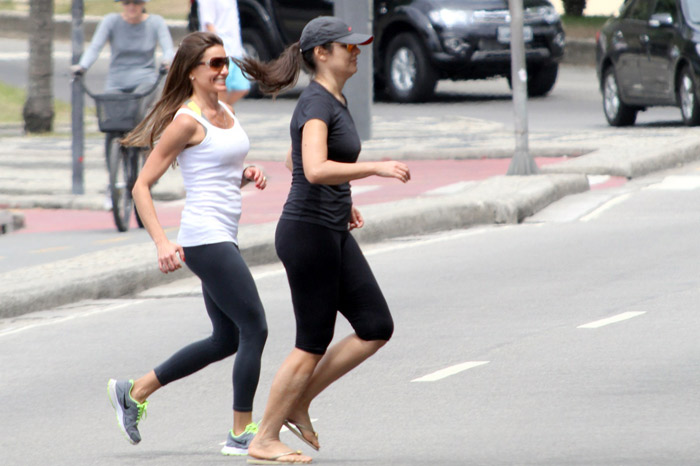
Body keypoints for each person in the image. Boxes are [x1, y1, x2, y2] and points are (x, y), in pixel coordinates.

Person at [234, 16, 411, 464]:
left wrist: (340, 196)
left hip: (328, 227)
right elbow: (313, 168)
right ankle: (263, 438)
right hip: (308, 232)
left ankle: (297, 401)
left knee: (374, 325)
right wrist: (374, 167)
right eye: (346, 47)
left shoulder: (332, 99)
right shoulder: (317, 103)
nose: (356, 52)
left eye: (357, 46)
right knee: (311, 340)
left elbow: (295, 158)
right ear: (321, 54)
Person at [108, 31, 269, 457]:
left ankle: (135, 390)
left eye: (225, 63)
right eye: (214, 64)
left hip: (223, 234)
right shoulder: (186, 119)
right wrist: (162, 242)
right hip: (203, 237)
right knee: (255, 327)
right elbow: (141, 185)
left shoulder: (225, 112)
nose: (223, 71)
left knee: (226, 339)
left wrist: (244, 174)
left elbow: (212, 170)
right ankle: (240, 432)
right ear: (193, 72)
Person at [71, 0, 175, 209]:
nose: (131, 7)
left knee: (143, 119)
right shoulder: (111, 21)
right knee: (111, 125)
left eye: (136, 3)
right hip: (116, 80)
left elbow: (168, 49)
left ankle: (148, 168)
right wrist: (81, 67)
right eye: (127, 2)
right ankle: (113, 184)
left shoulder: (155, 22)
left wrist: (166, 61)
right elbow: (95, 47)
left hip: (144, 80)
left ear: (143, 4)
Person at [197, 0, 250, 106]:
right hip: (221, 51)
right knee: (221, 88)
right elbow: (208, 23)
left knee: (243, 87)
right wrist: (217, 48)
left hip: (235, 49)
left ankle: (222, 111)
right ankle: (220, 115)